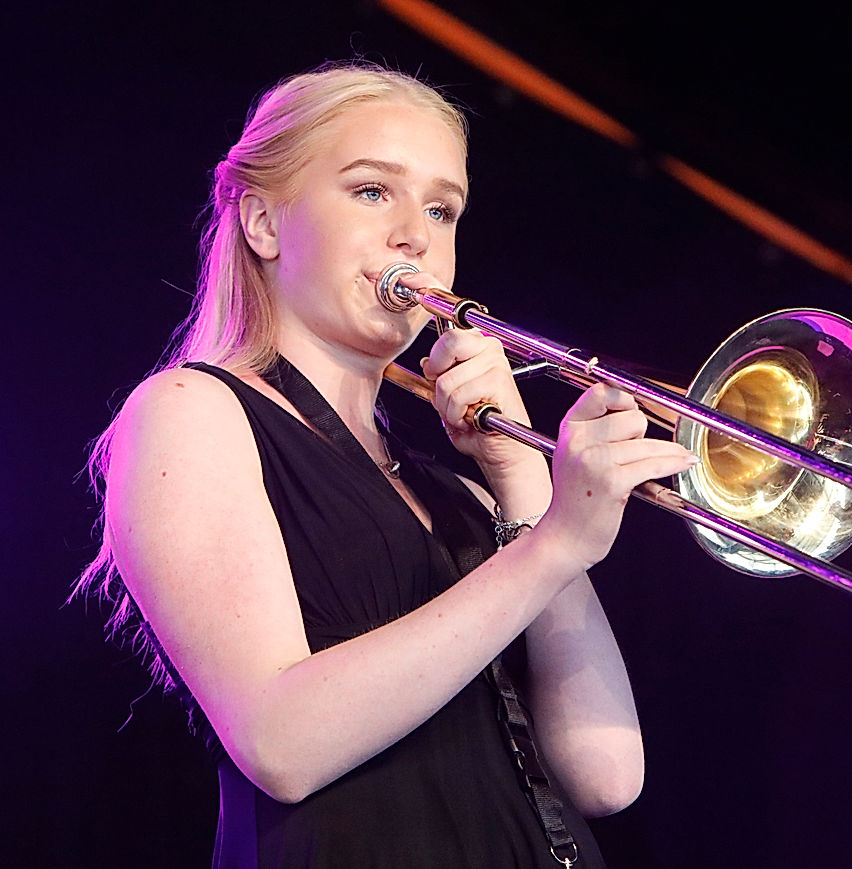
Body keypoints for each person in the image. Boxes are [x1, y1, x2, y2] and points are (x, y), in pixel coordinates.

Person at [75, 60, 697, 867]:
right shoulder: (190, 412)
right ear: (263, 223)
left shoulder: (462, 490)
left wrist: (524, 485)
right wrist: (556, 545)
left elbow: (608, 774)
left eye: (443, 209)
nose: (418, 236)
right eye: (374, 191)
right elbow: (280, 740)